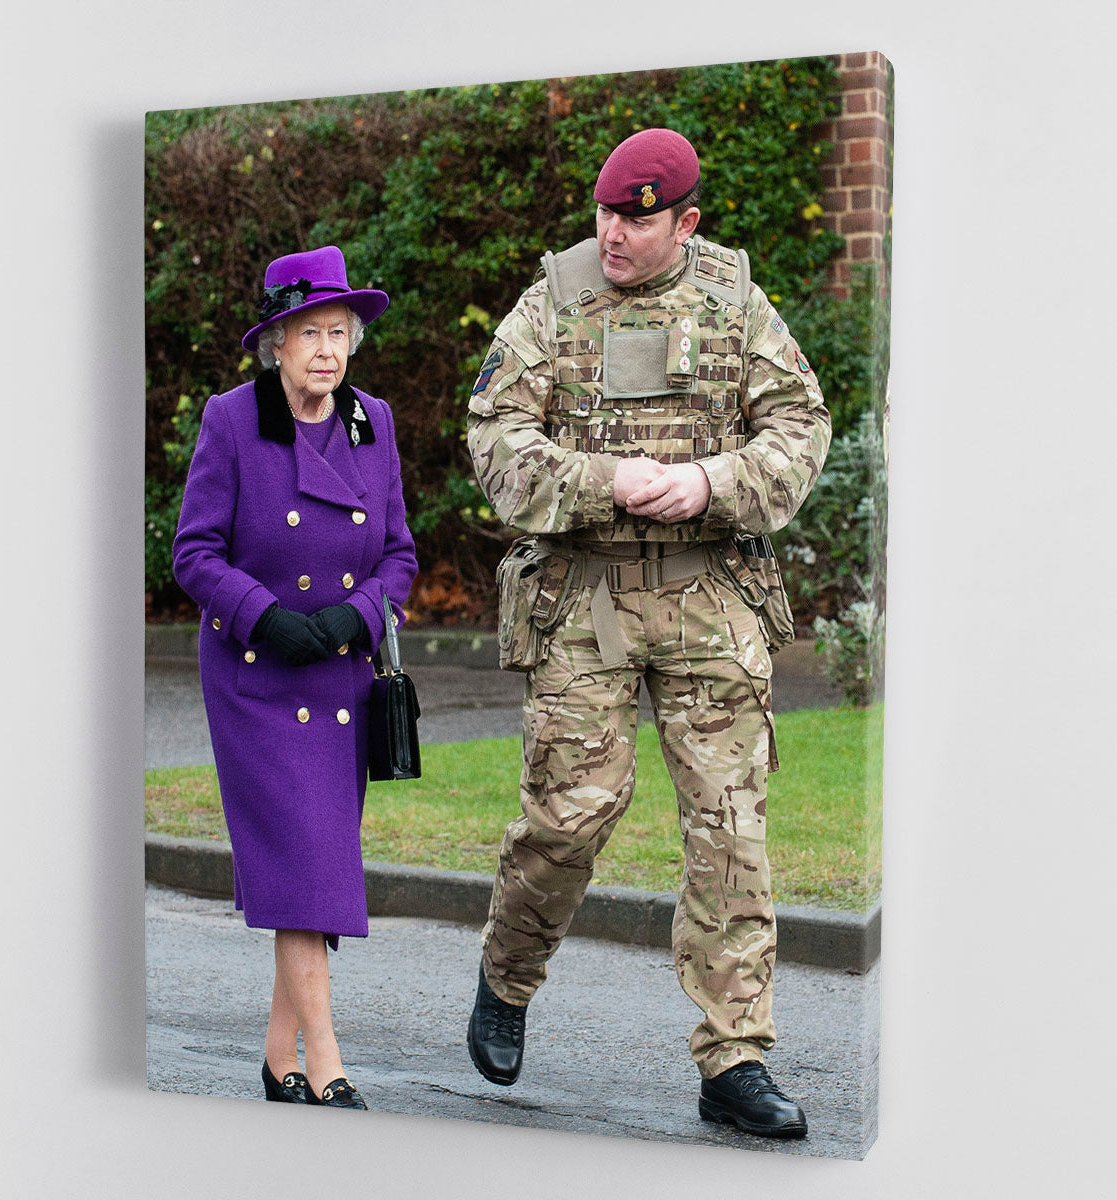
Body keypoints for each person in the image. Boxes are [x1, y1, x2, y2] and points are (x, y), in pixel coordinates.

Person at [464, 129, 830, 1139]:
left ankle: (735, 1057)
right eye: (606, 213)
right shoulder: (553, 301)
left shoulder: (735, 303)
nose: (613, 233)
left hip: (713, 597)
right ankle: (507, 973)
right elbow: (493, 440)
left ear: (688, 222)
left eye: (638, 218)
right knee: (570, 818)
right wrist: (601, 482)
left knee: (729, 829)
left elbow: (801, 424)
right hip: (584, 599)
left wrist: (713, 482)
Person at [173, 246, 418, 1109]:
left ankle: (279, 1057)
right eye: (309, 332)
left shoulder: (372, 421)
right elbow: (193, 553)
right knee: (305, 866)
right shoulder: (231, 421)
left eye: (339, 333)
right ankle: (327, 1065)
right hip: (257, 682)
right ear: (274, 342)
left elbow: (398, 551)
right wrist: (266, 617)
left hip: (340, 677)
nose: (326, 349)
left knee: (307, 871)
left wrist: (356, 617)